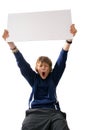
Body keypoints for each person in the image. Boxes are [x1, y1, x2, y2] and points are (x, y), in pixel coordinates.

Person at [2, 24, 77, 130]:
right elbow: (22, 64)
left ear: (50, 69)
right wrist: (10, 42)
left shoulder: (53, 78)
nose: (43, 68)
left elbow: (61, 60)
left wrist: (69, 39)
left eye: (46, 66)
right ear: (37, 69)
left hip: (53, 113)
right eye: (41, 66)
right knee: (26, 126)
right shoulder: (34, 79)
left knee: (62, 126)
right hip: (34, 113)